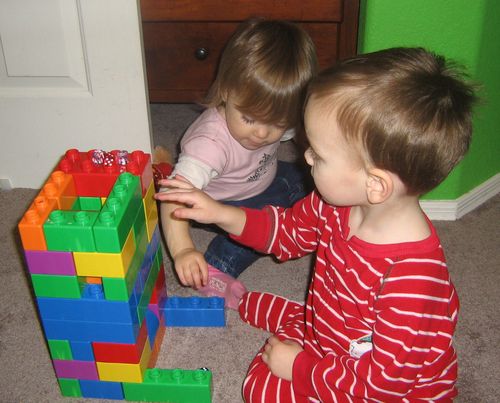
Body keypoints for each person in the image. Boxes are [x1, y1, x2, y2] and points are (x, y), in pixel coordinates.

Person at [155, 47, 477, 401]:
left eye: (319, 155)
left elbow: (381, 387)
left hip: (386, 390)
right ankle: (278, 318)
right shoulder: (336, 206)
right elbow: (285, 232)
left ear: (375, 184)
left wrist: (298, 368)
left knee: (262, 389)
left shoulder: (412, 281)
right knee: (271, 361)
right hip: (336, 335)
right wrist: (217, 211)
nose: (304, 156)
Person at [155, 18, 317, 309]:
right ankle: (217, 263)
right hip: (219, 205)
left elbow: (303, 139)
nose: (262, 134)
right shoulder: (210, 145)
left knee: (315, 183)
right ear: (227, 91)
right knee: (264, 229)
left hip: (262, 179)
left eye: (277, 124)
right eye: (250, 119)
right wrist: (182, 250)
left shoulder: (275, 114)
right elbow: (172, 197)